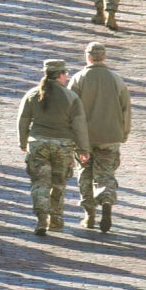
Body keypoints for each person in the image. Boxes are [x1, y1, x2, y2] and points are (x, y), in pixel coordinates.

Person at [17, 59, 90, 238]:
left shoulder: (33, 94)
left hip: (38, 144)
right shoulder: (71, 97)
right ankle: (55, 219)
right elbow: (79, 125)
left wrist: (23, 142)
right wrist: (83, 149)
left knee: (40, 183)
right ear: (61, 75)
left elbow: (23, 120)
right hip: (62, 146)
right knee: (58, 183)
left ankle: (41, 218)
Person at [69, 41, 131, 233]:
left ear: (87, 57)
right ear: (104, 57)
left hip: (84, 138)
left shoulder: (78, 79)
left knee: (85, 174)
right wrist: (124, 133)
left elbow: (69, 110)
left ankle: (89, 216)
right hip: (110, 136)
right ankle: (106, 200)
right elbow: (126, 109)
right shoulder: (116, 79)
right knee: (105, 173)